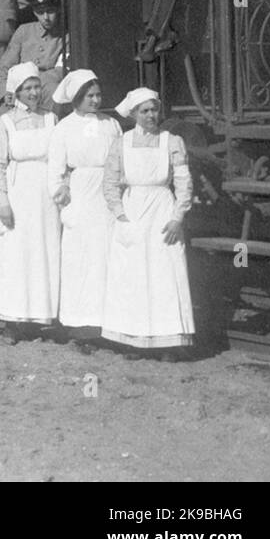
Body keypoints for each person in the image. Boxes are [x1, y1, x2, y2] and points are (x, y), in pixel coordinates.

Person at [100, 87, 196, 356]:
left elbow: (183, 181)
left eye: (154, 110)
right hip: (132, 213)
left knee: (164, 275)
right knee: (132, 277)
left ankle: (168, 343)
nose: (151, 115)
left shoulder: (172, 141)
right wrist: (121, 215)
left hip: (162, 212)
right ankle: (133, 340)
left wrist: (178, 217)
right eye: (145, 111)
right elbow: (109, 182)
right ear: (134, 114)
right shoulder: (122, 142)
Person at [0, 63, 61, 342]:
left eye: (37, 87)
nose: (34, 93)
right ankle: (11, 320)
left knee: (42, 254)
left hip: (45, 196)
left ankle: (37, 317)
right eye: (28, 88)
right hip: (18, 192)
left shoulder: (51, 119)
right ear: (17, 92)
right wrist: (4, 202)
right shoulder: (6, 122)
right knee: (15, 256)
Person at [47, 69, 120, 346]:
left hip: (106, 194)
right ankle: (80, 328)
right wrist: (61, 191)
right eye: (89, 95)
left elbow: (119, 159)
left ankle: (106, 324)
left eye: (98, 95)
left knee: (105, 258)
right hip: (80, 195)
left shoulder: (110, 124)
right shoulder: (64, 128)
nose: (95, 100)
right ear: (77, 98)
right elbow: (55, 167)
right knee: (81, 261)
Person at [0, 0, 66, 111]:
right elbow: (5, 68)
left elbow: (61, 70)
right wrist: (5, 92)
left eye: (50, 11)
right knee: (4, 113)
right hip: (18, 87)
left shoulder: (66, 36)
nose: (46, 17)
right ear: (34, 12)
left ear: (58, 9)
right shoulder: (24, 31)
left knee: (55, 94)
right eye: (40, 12)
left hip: (46, 89)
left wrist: (33, 80)